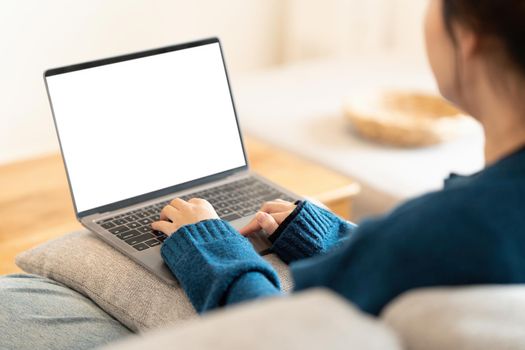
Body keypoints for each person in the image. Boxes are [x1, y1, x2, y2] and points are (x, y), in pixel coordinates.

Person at [2, 0, 525, 348]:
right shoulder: (471, 220)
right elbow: (410, 265)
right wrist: (324, 233)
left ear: (471, 39)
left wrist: (204, 240)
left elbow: (277, 333)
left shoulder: (443, 227)